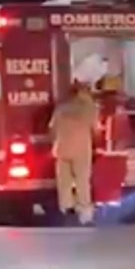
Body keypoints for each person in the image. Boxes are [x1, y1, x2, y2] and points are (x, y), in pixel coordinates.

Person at [50, 83, 101, 225]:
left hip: (62, 148)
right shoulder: (89, 107)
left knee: (64, 181)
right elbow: (96, 129)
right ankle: (85, 212)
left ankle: (67, 209)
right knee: (82, 180)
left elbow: (52, 129)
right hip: (81, 148)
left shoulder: (61, 108)